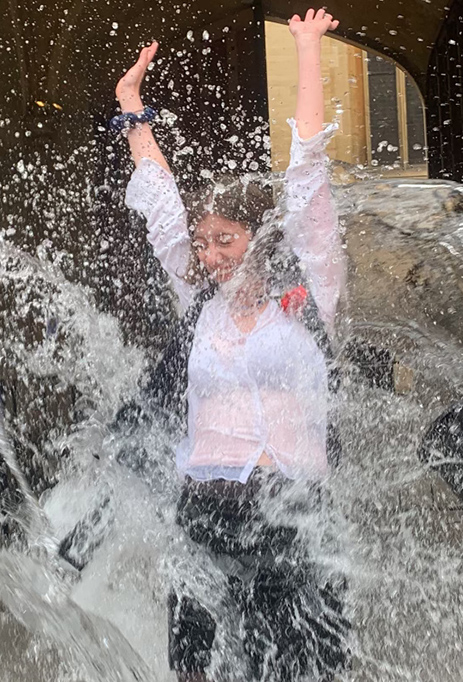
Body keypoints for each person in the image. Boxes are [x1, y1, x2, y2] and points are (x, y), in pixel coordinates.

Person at [115, 9, 349, 681]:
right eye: (204, 240)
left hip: (290, 510)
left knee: (295, 668)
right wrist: (134, 108)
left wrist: (307, 49)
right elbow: (159, 199)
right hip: (204, 511)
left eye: (227, 238)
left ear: (260, 235)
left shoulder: (309, 300)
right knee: (193, 667)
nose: (211, 254)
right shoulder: (200, 307)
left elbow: (308, 175)